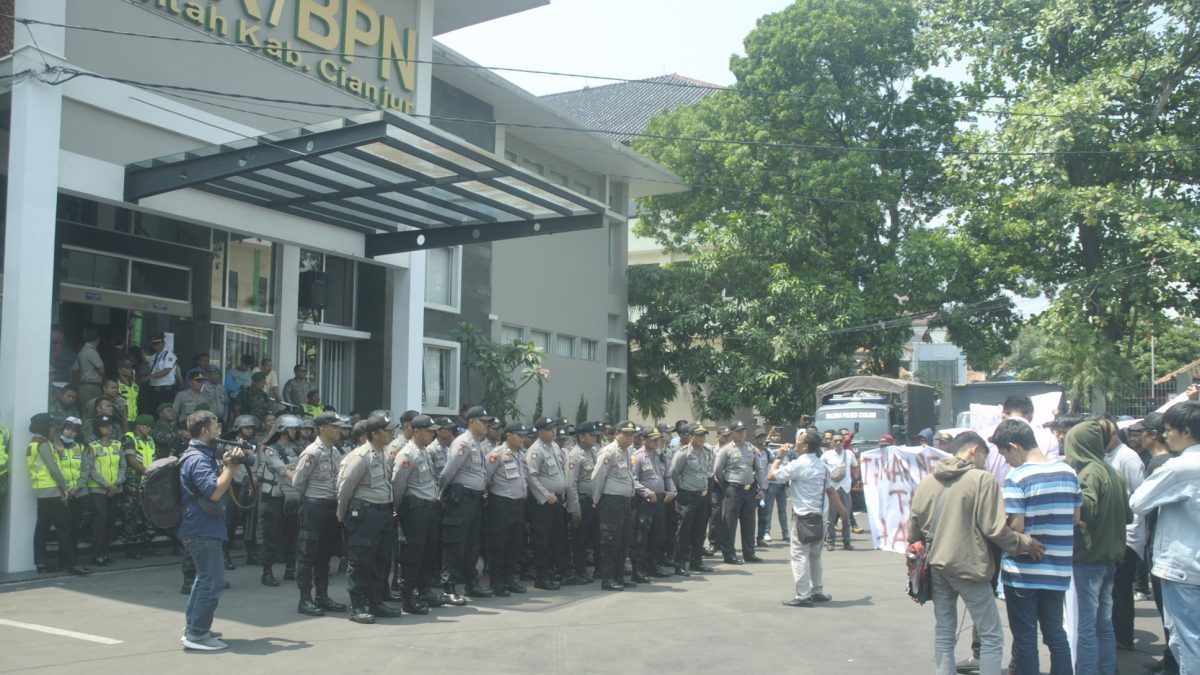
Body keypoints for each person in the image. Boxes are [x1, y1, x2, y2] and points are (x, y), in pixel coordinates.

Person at [908, 430, 1045, 675]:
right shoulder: (983, 480)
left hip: (937, 565)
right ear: (974, 450)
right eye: (984, 456)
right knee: (991, 635)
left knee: (944, 632)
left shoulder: (928, 481)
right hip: (969, 565)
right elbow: (995, 530)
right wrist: (1026, 543)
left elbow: (914, 531)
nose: (985, 463)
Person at [991, 419, 1080, 675]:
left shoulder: (1018, 477)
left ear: (1013, 446)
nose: (1005, 460)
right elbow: (1075, 518)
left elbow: (1016, 527)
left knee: (1025, 637)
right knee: (1055, 633)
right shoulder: (1068, 472)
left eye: (1004, 453)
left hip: (1023, 573)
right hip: (1058, 570)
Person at [1130, 401, 1200, 674]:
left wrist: (1159, 475)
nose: (1164, 435)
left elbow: (1138, 501)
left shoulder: (1181, 466)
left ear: (1186, 431)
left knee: (1187, 639)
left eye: (1168, 430)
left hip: (1184, 568)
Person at [1065, 420, 1132, 675]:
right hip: (1111, 558)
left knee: (1086, 626)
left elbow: (1086, 510)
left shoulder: (1089, 473)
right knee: (1104, 623)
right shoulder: (1113, 472)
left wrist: (1070, 492)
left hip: (1088, 558)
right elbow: (1128, 516)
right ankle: (1105, 669)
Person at [178, 410, 246, 651]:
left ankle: (196, 627)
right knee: (212, 582)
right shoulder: (197, 458)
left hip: (204, 525)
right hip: (201, 527)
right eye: (216, 425)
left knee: (203, 579)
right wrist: (232, 467)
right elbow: (214, 491)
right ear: (205, 430)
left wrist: (227, 465)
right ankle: (197, 635)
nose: (220, 429)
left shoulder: (202, 454)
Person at [768, 431, 849, 607]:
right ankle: (817, 590)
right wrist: (843, 510)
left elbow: (771, 476)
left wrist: (779, 457)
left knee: (799, 556)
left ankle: (803, 595)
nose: (795, 443)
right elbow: (830, 490)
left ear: (805, 446)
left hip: (802, 517)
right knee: (816, 555)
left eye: (799, 441)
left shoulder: (798, 465)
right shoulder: (822, 466)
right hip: (820, 517)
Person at [337, 414, 402, 624]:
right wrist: (342, 515)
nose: (392, 433)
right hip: (365, 513)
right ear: (375, 434)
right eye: (388, 430)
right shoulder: (361, 455)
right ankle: (357, 606)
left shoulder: (383, 453)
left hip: (383, 512)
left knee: (381, 560)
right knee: (361, 560)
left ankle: (375, 602)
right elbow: (345, 486)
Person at [1131, 412, 1182, 675]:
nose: (1137, 437)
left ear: (1154, 434)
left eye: (1141, 432)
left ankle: (1174, 663)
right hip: (1161, 544)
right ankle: (1171, 660)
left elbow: (1141, 505)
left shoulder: (1162, 464)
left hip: (1162, 547)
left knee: (1172, 616)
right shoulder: (1168, 461)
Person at [290, 412, 349, 617]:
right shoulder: (312, 452)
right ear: (322, 428)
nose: (338, 430)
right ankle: (305, 599)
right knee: (307, 555)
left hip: (331, 507)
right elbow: (298, 482)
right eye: (334, 427)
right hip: (314, 506)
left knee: (325, 555)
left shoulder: (334, 451)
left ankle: (322, 596)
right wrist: (312, 498)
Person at [438, 406, 495, 603]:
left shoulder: (477, 443)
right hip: (460, 498)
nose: (486, 425)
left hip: (474, 498)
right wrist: (442, 494)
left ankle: (471, 584)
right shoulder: (463, 443)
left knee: (472, 544)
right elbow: (447, 473)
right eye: (483, 421)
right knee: (455, 543)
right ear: (471, 422)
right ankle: (449, 587)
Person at [391, 414, 443, 614]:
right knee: (412, 554)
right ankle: (408, 597)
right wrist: (397, 508)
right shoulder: (407, 454)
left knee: (426, 553)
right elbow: (398, 485)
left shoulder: (424, 452)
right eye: (429, 431)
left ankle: (424, 590)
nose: (432, 434)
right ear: (417, 431)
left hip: (428, 508)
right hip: (414, 509)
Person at [27, 413, 90, 576]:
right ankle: (71, 564)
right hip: (53, 491)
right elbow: (54, 469)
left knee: (42, 528)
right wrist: (64, 489)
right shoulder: (43, 444)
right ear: (45, 427)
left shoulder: (32, 444)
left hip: (41, 491)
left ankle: (41, 562)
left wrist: (60, 452)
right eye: (52, 426)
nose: (54, 429)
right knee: (64, 528)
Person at [483, 421, 533, 597]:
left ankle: (510, 579)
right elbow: (486, 478)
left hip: (518, 504)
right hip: (501, 504)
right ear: (509, 435)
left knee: (515, 543)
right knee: (498, 544)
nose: (523, 439)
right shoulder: (496, 454)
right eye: (520, 435)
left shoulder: (521, 454)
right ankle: (496, 582)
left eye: (524, 436)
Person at [591, 419, 638, 591]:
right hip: (611, 501)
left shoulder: (626, 452)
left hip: (624, 502)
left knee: (623, 540)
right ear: (616, 434)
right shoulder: (608, 452)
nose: (629, 437)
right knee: (610, 541)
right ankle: (608, 578)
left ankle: (619, 575)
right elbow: (597, 477)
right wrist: (596, 500)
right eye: (625, 434)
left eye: (631, 434)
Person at [526, 416, 570, 589]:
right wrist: (545, 495)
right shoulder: (535, 450)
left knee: (557, 538)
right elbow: (531, 477)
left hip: (556, 500)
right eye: (549, 429)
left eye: (554, 428)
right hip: (542, 503)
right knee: (541, 540)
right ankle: (541, 577)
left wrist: (562, 490)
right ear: (541, 432)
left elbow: (559, 472)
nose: (554, 432)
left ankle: (555, 572)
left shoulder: (555, 448)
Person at [260, 413, 302, 586]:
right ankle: (267, 572)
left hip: (292, 496)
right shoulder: (271, 449)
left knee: (292, 534)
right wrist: (299, 480)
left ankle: (290, 568)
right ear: (283, 430)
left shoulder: (298, 448)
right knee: (271, 536)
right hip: (274, 497)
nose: (295, 431)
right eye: (292, 428)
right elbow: (282, 468)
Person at [713, 420, 764, 564]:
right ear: (732, 433)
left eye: (743, 431)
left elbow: (759, 469)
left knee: (749, 523)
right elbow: (717, 470)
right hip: (733, 489)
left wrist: (762, 488)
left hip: (749, 489)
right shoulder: (726, 450)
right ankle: (729, 554)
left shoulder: (751, 449)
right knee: (729, 523)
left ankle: (749, 553)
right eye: (738, 431)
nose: (742, 434)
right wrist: (726, 485)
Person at [630, 427, 676, 582]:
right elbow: (633, 480)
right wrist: (646, 492)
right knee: (642, 536)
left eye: (658, 439)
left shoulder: (660, 456)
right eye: (654, 439)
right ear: (644, 440)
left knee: (658, 534)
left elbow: (667, 476)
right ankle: (638, 569)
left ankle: (653, 565)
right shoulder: (637, 457)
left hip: (660, 499)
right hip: (645, 501)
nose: (657, 442)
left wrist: (672, 491)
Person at [669, 423, 715, 576]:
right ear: (690, 437)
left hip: (703, 495)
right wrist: (681, 489)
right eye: (699, 435)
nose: (702, 438)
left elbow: (710, 471)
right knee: (684, 531)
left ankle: (696, 561)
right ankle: (680, 564)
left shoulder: (707, 451)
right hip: (687, 496)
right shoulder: (683, 453)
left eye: (703, 435)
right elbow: (674, 473)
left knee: (700, 530)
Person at [565, 421, 602, 584]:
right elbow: (571, 484)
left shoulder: (595, 451)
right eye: (591, 435)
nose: (595, 438)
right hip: (582, 501)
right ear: (581, 437)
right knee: (580, 539)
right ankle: (580, 570)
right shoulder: (575, 455)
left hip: (595, 501)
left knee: (597, 537)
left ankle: (599, 569)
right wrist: (575, 509)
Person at [86, 415, 125, 566]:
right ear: (98, 429)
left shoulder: (117, 445)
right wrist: (107, 485)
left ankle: (106, 553)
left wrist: (116, 483)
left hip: (116, 488)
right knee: (100, 521)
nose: (108, 428)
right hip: (98, 489)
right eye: (104, 426)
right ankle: (96, 554)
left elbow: (123, 466)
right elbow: (91, 469)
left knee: (111, 522)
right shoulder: (92, 446)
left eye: (110, 425)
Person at [120, 414, 160, 559]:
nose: (148, 429)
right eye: (146, 426)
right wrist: (148, 472)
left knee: (148, 515)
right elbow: (131, 460)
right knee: (131, 515)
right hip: (133, 482)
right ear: (138, 425)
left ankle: (146, 544)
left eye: (150, 427)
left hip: (148, 482)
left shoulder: (149, 440)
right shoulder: (129, 438)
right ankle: (130, 547)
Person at [821, 432, 858, 551]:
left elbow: (855, 467)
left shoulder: (849, 454)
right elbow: (820, 468)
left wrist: (854, 481)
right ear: (831, 442)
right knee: (831, 518)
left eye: (840, 441)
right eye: (835, 441)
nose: (838, 443)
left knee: (845, 516)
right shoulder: (826, 455)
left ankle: (846, 542)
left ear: (843, 442)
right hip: (832, 489)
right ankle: (830, 542)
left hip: (845, 489)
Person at [145, 333, 180, 413]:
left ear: (163, 343)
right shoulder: (153, 356)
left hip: (165, 391)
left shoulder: (169, 354)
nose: (155, 346)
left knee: (165, 413)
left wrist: (148, 377)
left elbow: (166, 371)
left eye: (157, 344)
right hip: (153, 389)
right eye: (153, 344)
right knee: (153, 412)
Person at [74, 328, 104, 404]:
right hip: (91, 387)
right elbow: (101, 369)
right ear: (98, 339)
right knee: (92, 410)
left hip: (83, 385)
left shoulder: (83, 350)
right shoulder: (91, 351)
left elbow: (75, 370)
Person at [115, 359, 140, 425]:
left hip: (135, 421)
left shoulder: (135, 386)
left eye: (131, 368)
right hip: (121, 421)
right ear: (119, 370)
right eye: (127, 368)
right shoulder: (115, 384)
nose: (131, 370)